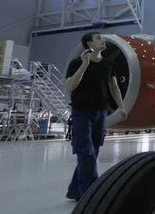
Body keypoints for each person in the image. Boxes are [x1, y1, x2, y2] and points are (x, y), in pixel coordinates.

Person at [64, 31, 127, 201]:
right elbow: (70, 85)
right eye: (98, 38)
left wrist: (121, 107)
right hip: (81, 113)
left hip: (100, 113)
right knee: (86, 152)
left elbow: (113, 86)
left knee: (94, 150)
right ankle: (90, 193)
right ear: (89, 44)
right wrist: (84, 65)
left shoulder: (108, 64)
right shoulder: (76, 63)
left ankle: (75, 190)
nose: (103, 40)